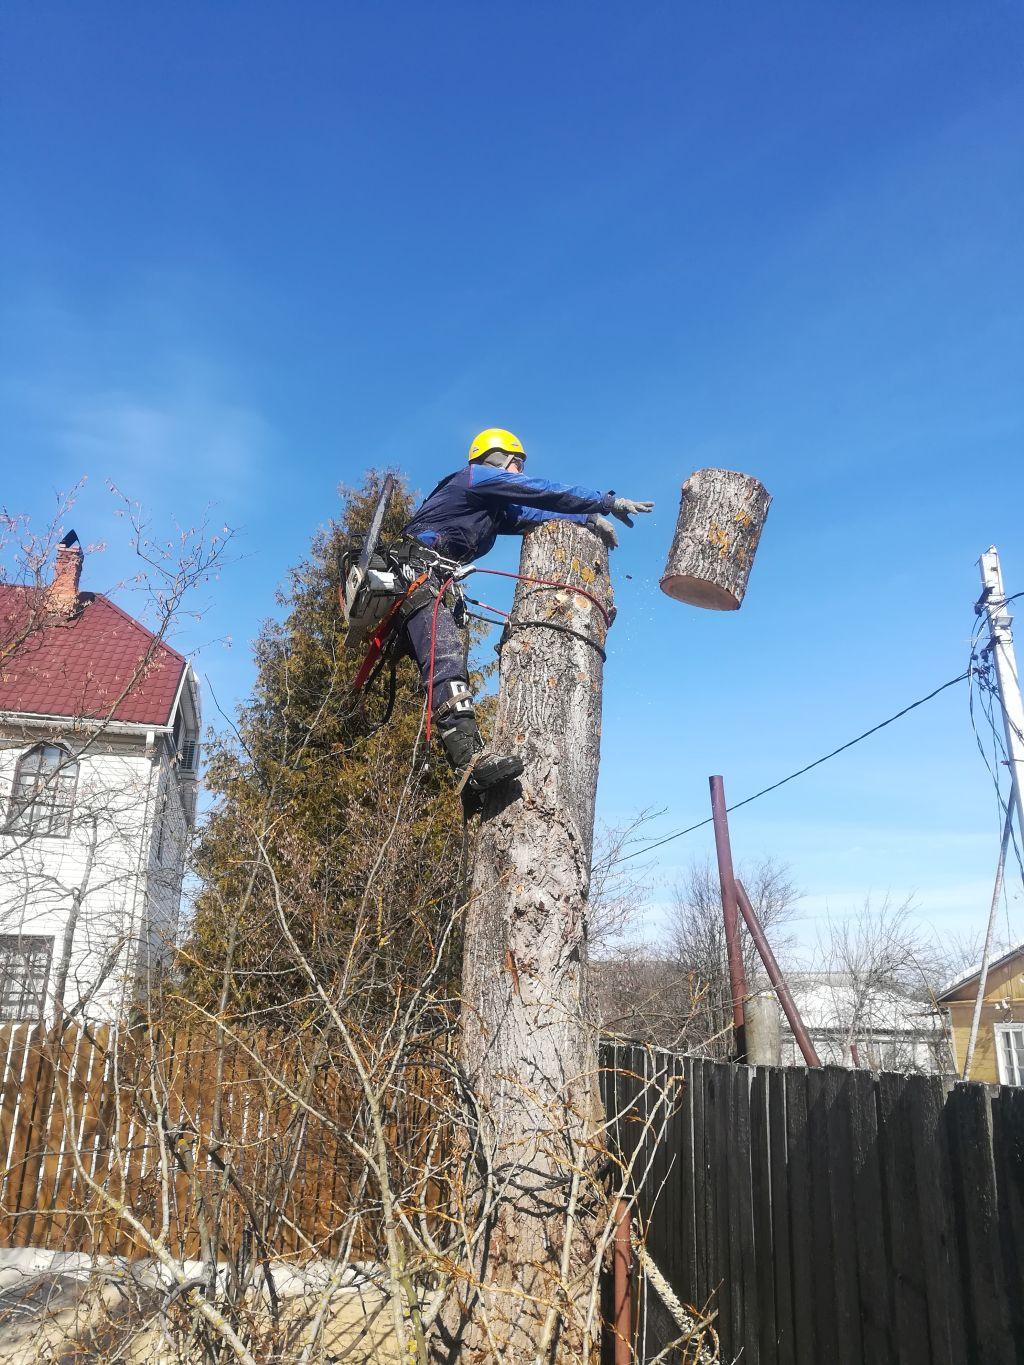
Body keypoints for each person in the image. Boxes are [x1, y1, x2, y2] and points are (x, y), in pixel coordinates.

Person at [399, 428, 653, 795]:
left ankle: (469, 776)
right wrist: (603, 501)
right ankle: (469, 764)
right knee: (446, 659)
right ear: (496, 459)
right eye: (516, 463)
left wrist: (587, 519)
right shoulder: (474, 478)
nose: (519, 472)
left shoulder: (489, 508)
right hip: (413, 574)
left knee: (450, 658)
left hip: (430, 579)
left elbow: (532, 512)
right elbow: (539, 490)